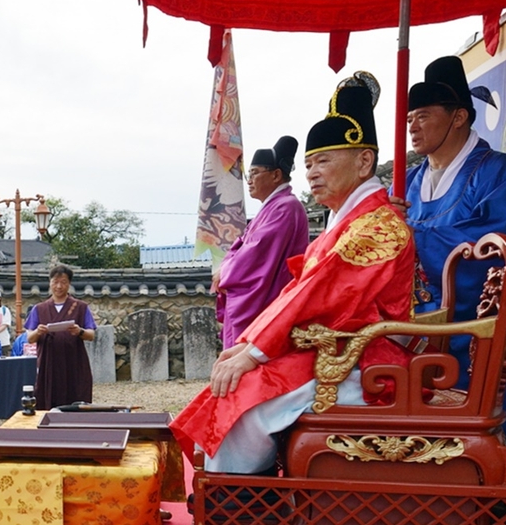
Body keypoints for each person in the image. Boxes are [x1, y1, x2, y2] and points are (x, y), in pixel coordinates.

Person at [172, 72, 415, 475]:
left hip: (364, 358)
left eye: (323, 160)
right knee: (238, 385)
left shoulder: (377, 226)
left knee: (247, 403)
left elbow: (315, 293)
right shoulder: (350, 220)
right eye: (308, 164)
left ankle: (241, 509)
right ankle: (239, 502)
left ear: (364, 161)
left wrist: (253, 352)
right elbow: (298, 291)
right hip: (336, 347)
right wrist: (249, 345)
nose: (312, 173)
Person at [399, 55, 506, 449]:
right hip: (415, 331)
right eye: (409, 118)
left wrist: (413, 235)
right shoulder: (408, 182)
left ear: (458, 117)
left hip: (476, 328)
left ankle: (494, 505)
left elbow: (497, 247)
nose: (412, 127)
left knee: (479, 437)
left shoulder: (497, 171)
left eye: (423, 116)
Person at [214, 136, 311, 348]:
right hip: (263, 297)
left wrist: (226, 272)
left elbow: (256, 253)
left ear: (276, 175)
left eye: (255, 173)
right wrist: (224, 266)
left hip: (269, 298)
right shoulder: (272, 207)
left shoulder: (286, 207)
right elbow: (241, 243)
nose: (249, 180)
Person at [24, 265, 96, 410]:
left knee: (75, 394)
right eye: (55, 282)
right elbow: (29, 338)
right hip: (48, 361)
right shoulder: (39, 309)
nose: (59, 286)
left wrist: (79, 331)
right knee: (48, 396)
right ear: (49, 283)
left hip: (74, 360)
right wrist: (38, 331)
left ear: (69, 284)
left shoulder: (80, 307)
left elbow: (91, 335)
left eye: (63, 282)